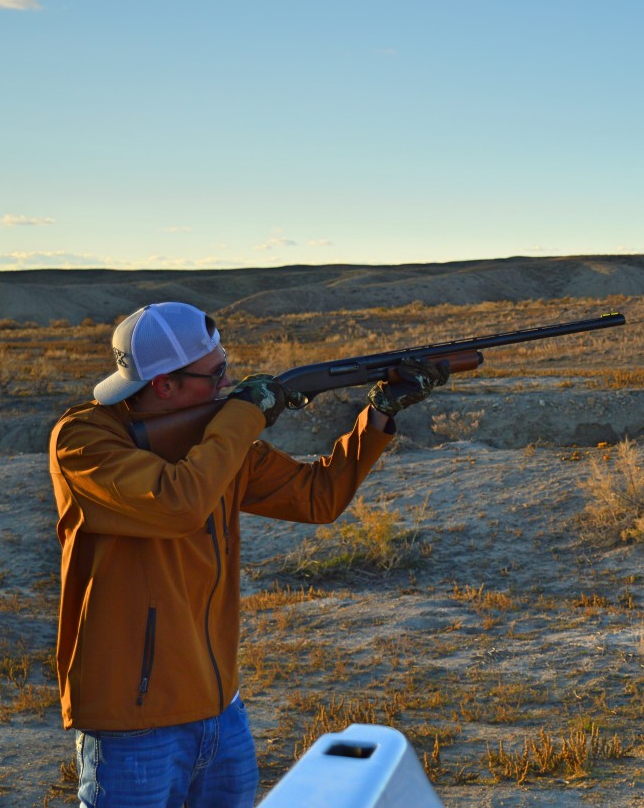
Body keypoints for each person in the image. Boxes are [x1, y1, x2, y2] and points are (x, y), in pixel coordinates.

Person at [48, 301, 447, 807]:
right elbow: (179, 503)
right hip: (133, 723)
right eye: (215, 375)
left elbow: (317, 497)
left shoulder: (215, 441)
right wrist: (243, 415)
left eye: (226, 368)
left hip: (220, 711)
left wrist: (379, 415)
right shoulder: (84, 440)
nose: (228, 383)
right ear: (164, 385)